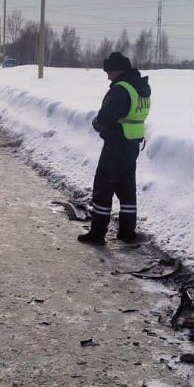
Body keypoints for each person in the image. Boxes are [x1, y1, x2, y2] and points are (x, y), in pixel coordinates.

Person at [78, 52, 151, 244]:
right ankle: (127, 232)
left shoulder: (120, 90)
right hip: (132, 143)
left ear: (117, 70)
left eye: (109, 71)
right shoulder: (141, 87)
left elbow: (105, 117)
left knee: (103, 187)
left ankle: (97, 233)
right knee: (126, 188)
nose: (107, 76)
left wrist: (97, 123)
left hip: (116, 143)